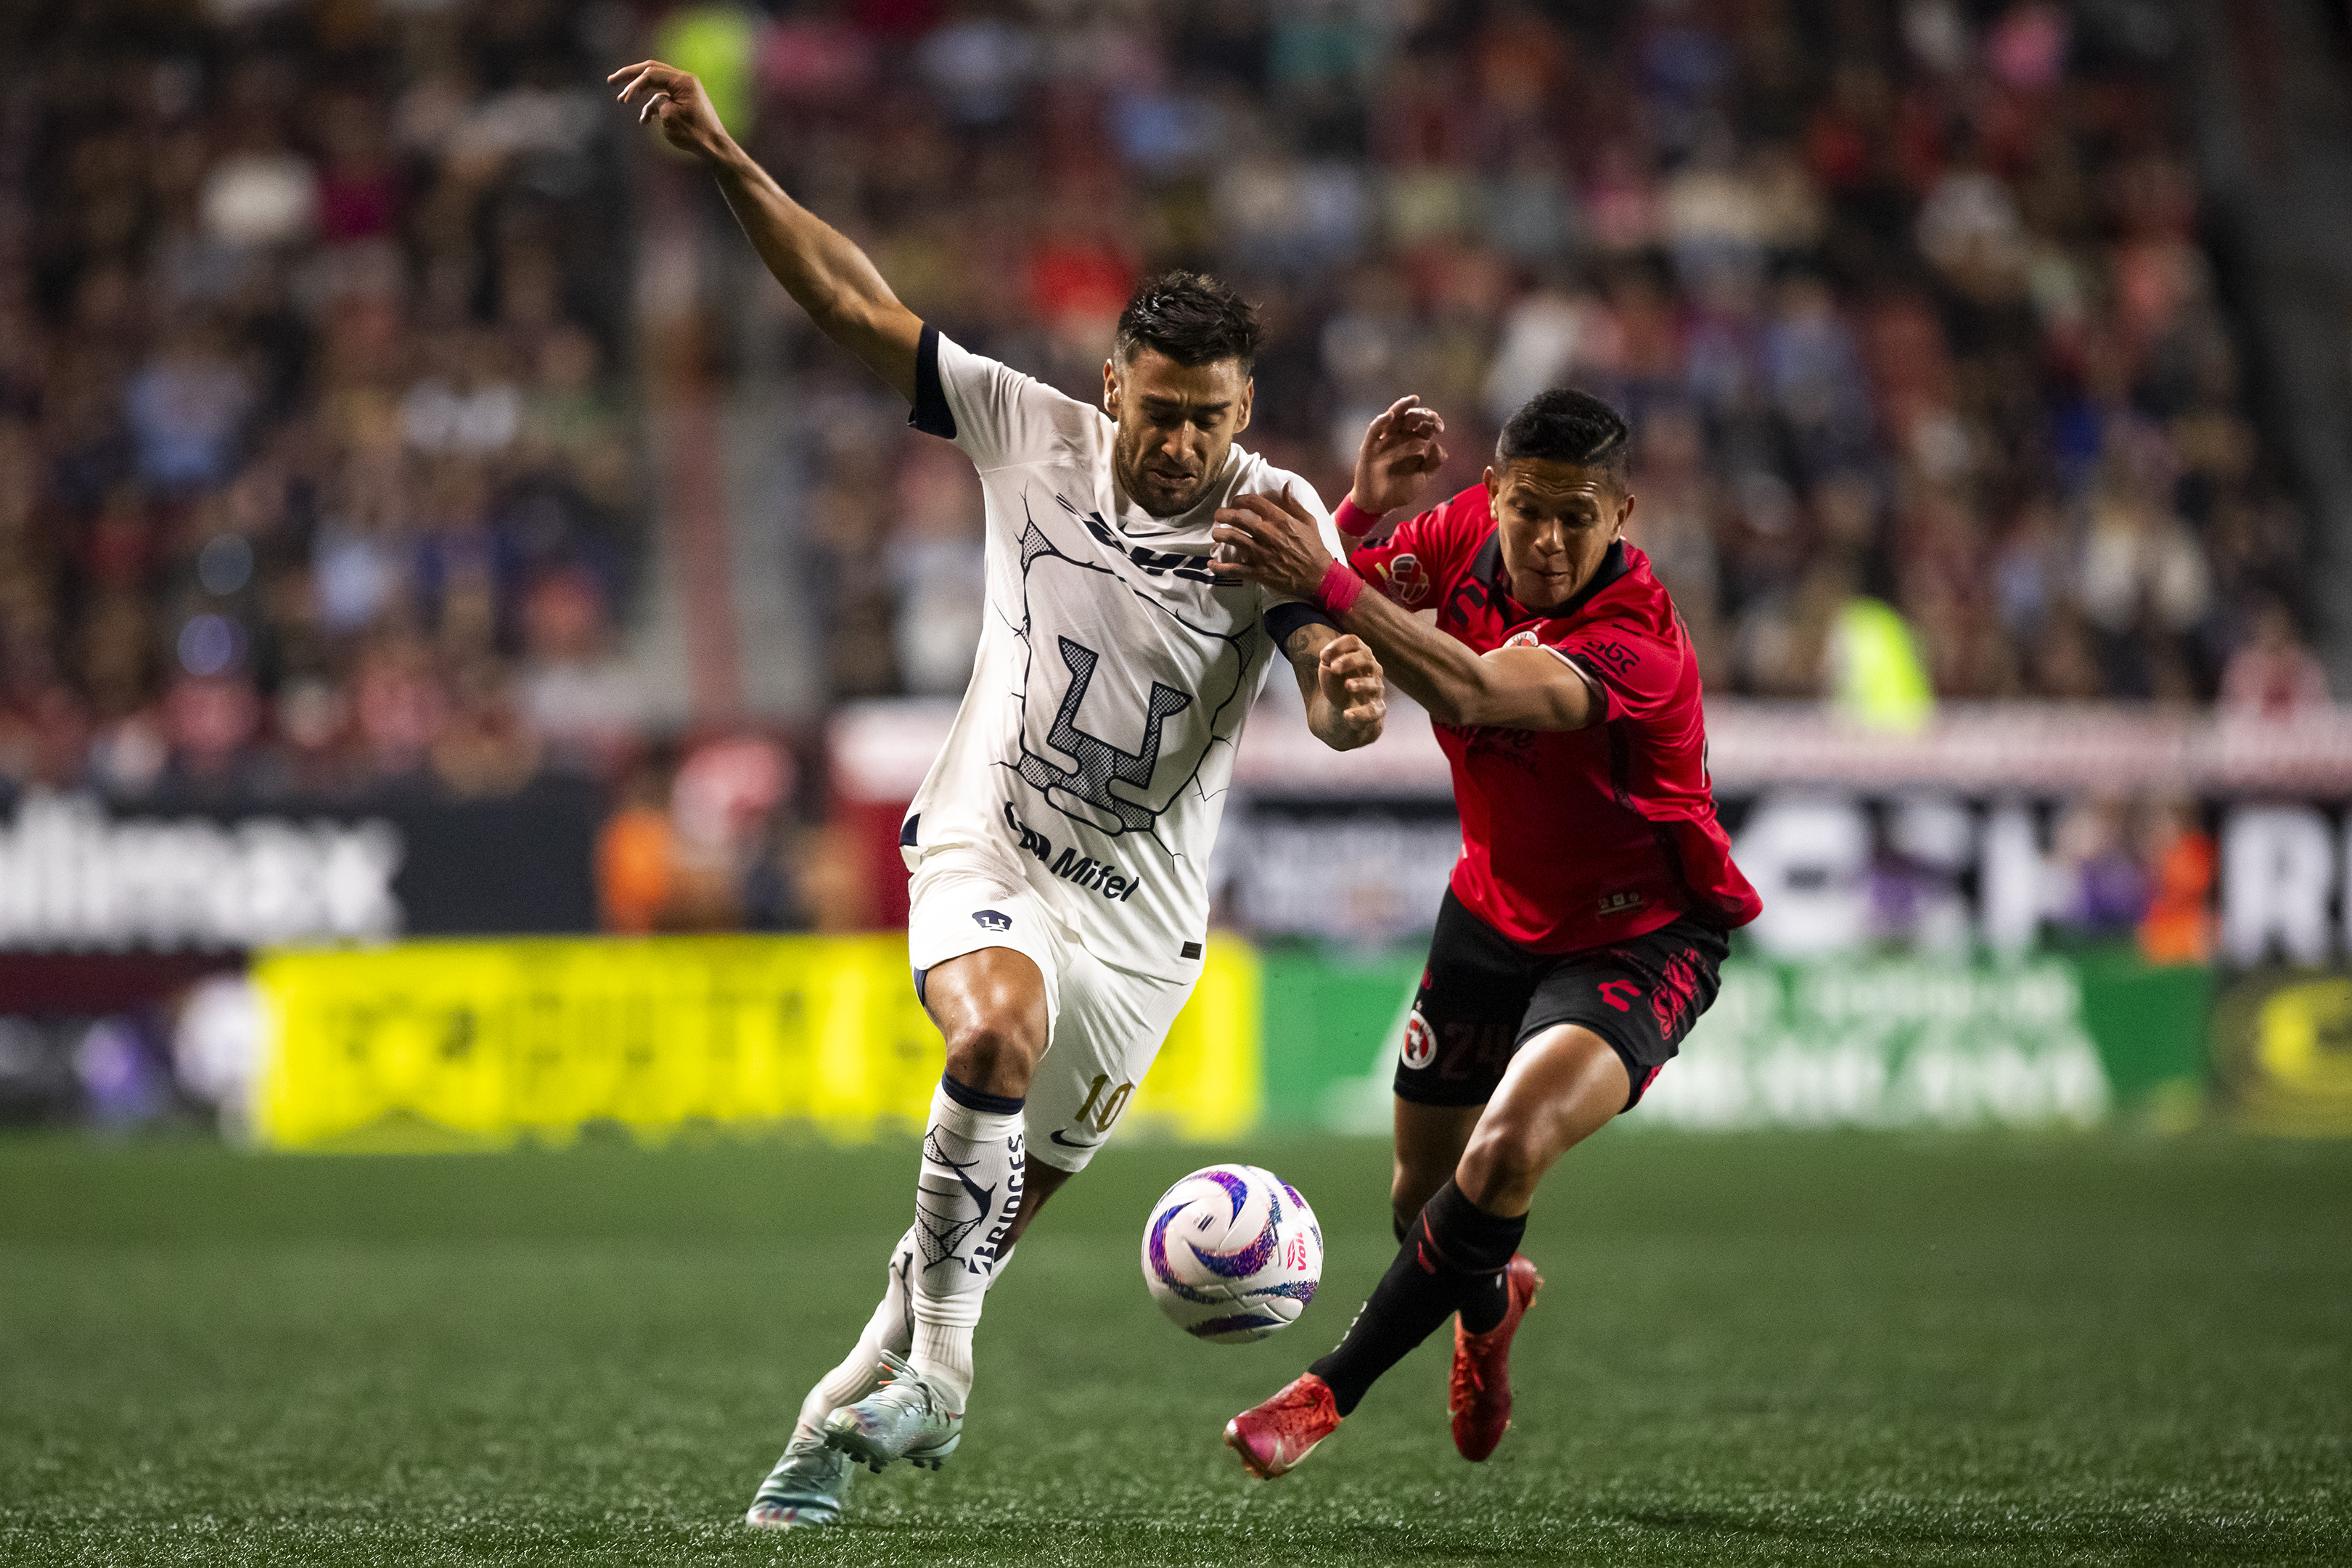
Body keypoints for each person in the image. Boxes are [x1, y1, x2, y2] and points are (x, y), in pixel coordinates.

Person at [607, 62, 1388, 1529]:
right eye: (1157, 412)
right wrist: (726, 160)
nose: (1179, 446)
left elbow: (1337, 691)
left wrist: (1347, 693)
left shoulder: (1269, 515)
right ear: (1112, 389)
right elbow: (852, 302)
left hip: (1140, 937)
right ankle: (952, 1386)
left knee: (971, 1224)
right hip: (989, 840)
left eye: (1208, 419)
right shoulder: (1028, 431)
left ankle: (835, 1416)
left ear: (1244, 410)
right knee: (991, 1032)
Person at [1206, 387, 1761, 1477]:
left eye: (1578, 518)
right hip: (1489, 912)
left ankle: (1325, 1391)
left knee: (1504, 1152)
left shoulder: (1637, 646)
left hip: (1638, 938)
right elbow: (1312, 592)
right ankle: (1487, 1299)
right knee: (1424, 1198)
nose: (1549, 541)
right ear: (1494, 491)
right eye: (1529, 511)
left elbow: (1462, 685)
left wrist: (1322, 574)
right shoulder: (1458, 535)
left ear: (1623, 513)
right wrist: (1354, 521)